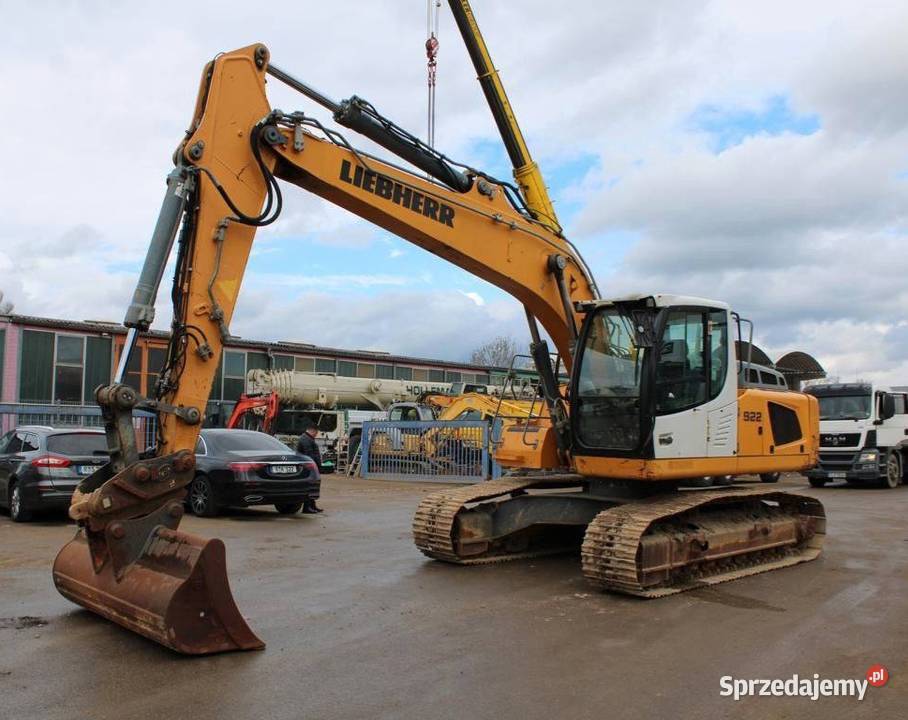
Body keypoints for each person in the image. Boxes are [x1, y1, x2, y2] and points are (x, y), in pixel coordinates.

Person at [295, 419, 324, 514]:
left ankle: (312, 505)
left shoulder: (308, 438)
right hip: (308, 468)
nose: (317, 434)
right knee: (309, 487)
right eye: (316, 432)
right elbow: (309, 455)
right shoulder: (305, 439)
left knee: (313, 487)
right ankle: (307, 507)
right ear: (313, 430)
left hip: (310, 467)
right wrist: (314, 466)